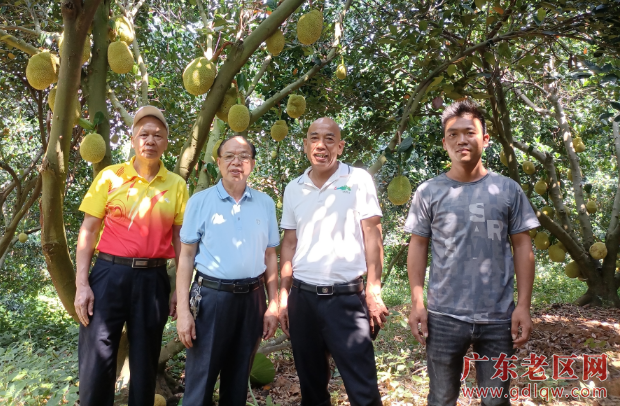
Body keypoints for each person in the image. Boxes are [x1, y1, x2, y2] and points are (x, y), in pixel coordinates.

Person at [406, 99, 538, 406]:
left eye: (469, 132)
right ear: (444, 142)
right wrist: (417, 303)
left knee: (495, 400)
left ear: (485, 139)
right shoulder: (429, 191)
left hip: (498, 316)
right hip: (443, 316)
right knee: (441, 398)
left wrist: (523, 306)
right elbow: (418, 246)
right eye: (453, 134)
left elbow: (522, 246)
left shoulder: (507, 190)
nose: (461, 139)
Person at [75, 106, 189, 406]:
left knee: (145, 359)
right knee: (96, 359)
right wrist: (82, 284)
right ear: (133, 138)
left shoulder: (176, 185)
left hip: (153, 279)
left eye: (157, 135)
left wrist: (180, 290)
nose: (150, 140)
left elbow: (181, 241)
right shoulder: (109, 177)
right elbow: (88, 230)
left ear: (166, 142)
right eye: (144, 134)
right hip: (109, 275)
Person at [278, 117, 388, 406]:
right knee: (311, 387)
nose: (321, 145)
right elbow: (289, 243)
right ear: (305, 145)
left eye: (329, 139)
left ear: (339, 146)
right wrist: (282, 295)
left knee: (362, 388)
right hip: (303, 299)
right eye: (314, 138)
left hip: (346, 299)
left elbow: (373, 235)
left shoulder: (358, 180)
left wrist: (374, 288)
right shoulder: (294, 188)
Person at [176, 135, 280, 406]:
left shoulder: (265, 204)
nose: (237, 162)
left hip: (252, 299)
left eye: (244, 156)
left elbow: (270, 255)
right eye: (230, 156)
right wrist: (184, 312)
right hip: (211, 298)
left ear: (253, 164)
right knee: (199, 385)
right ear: (218, 162)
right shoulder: (200, 202)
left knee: (237, 384)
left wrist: (273, 304)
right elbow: (186, 256)